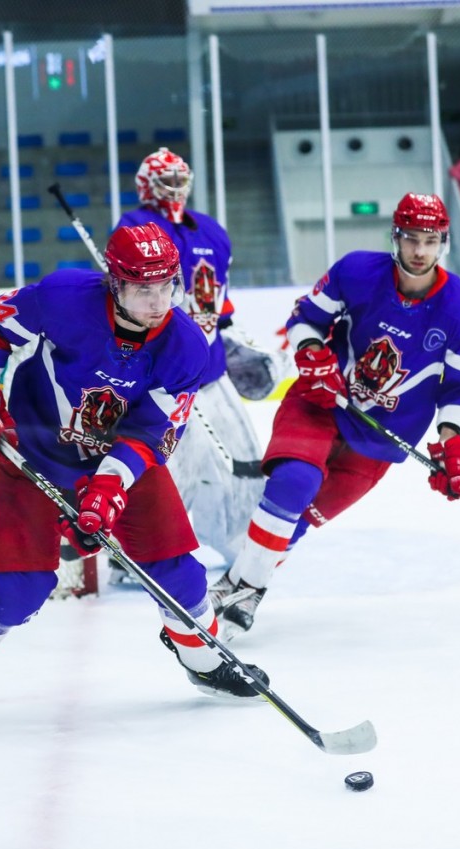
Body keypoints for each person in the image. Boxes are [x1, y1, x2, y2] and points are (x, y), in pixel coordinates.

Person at [0, 222, 270, 728]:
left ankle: (205, 663)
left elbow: (151, 434)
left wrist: (108, 488)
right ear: (115, 282)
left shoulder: (186, 346)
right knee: (18, 589)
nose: (158, 302)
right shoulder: (64, 297)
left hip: (121, 461)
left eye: (166, 286)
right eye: (142, 289)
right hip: (33, 449)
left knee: (176, 571)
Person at [206, 194, 460, 640]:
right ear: (394, 237)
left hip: (382, 438)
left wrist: (452, 442)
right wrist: (310, 351)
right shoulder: (358, 271)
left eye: (430, 240)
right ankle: (249, 592)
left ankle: (236, 585)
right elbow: (305, 319)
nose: (419, 250)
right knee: (294, 483)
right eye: (411, 238)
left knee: (297, 521)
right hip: (322, 401)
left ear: (443, 243)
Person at [115, 147, 272, 568]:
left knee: (247, 459)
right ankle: (140, 552)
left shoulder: (213, 232)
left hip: (212, 370)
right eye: (166, 180)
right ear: (146, 185)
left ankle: (241, 538)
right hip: (163, 373)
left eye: (180, 179)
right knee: (170, 464)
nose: (175, 188)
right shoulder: (135, 227)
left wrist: (235, 342)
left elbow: (220, 303)